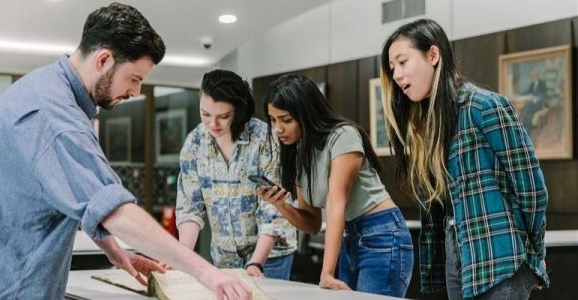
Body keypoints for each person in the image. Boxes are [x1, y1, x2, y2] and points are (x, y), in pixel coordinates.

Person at [0, 3, 250, 300]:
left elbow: (76, 192)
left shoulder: (44, 88)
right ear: (104, 60)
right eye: (134, 78)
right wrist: (209, 274)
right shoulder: (56, 120)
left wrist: (114, 250)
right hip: (12, 287)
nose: (135, 92)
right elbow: (115, 210)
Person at [379, 19, 548, 299]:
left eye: (402, 61)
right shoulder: (429, 126)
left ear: (433, 55)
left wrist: (534, 254)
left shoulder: (485, 106)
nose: (396, 74)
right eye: (392, 67)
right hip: (458, 255)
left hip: (500, 256)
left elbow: (532, 189)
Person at [258, 74, 413, 297]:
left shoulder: (343, 135)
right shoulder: (300, 153)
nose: (278, 129)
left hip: (382, 234)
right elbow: (311, 223)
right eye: (273, 120)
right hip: (350, 237)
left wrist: (327, 273)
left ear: (307, 114)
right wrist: (281, 205)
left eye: (286, 119)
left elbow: (336, 203)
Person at [175, 69, 298, 280]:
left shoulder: (264, 139)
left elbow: (272, 210)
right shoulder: (195, 142)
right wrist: (182, 256)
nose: (212, 124)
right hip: (224, 258)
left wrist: (256, 263)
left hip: (270, 257)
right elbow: (189, 208)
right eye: (205, 114)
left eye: (223, 116)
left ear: (239, 111)